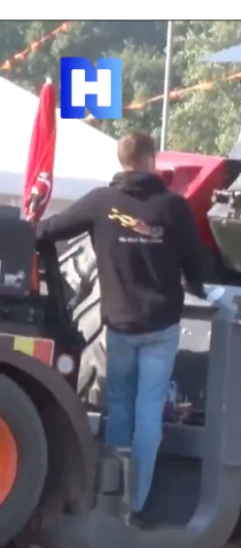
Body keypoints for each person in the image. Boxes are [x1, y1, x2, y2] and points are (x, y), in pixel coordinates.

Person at [35, 131, 210, 525]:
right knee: (149, 414)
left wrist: (26, 233)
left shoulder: (101, 203)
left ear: (121, 161)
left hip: (118, 325)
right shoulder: (174, 208)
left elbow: (51, 230)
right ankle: (137, 505)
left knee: (119, 412)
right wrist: (198, 287)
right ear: (151, 160)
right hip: (162, 327)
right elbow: (196, 265)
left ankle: (110, 503)